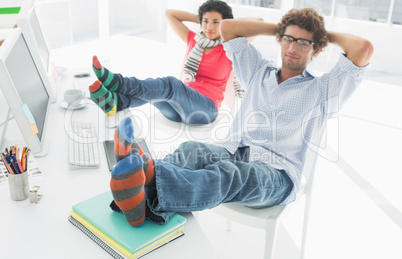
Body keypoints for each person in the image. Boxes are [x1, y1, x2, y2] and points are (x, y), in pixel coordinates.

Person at [108, 8, 373, 227]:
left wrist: (319, 34)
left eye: (304, 43)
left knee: (229, 174)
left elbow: (364, 48)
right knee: (191, 149)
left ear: (315, 51)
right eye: (289, 39)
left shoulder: (323, 90)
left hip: (277, 174)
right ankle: (139, 201)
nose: (293, 47)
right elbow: (228, 28)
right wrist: (283, 28)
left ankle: (144, 177)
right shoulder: (258, 71)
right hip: (235, 151)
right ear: (280, 40)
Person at [89, 0, 242, 125]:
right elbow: (170, 14)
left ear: (225, 24)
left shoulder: (230, 47)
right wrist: (202, 17)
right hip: (179, 108)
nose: (209, 26)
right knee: (155, 89)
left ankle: (119, 83)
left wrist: (224, 24)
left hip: (205, 109)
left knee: (170, 84)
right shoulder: (193, 40)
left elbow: (257, 22)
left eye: (216, 22)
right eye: (206, 21)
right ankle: (116, 103)